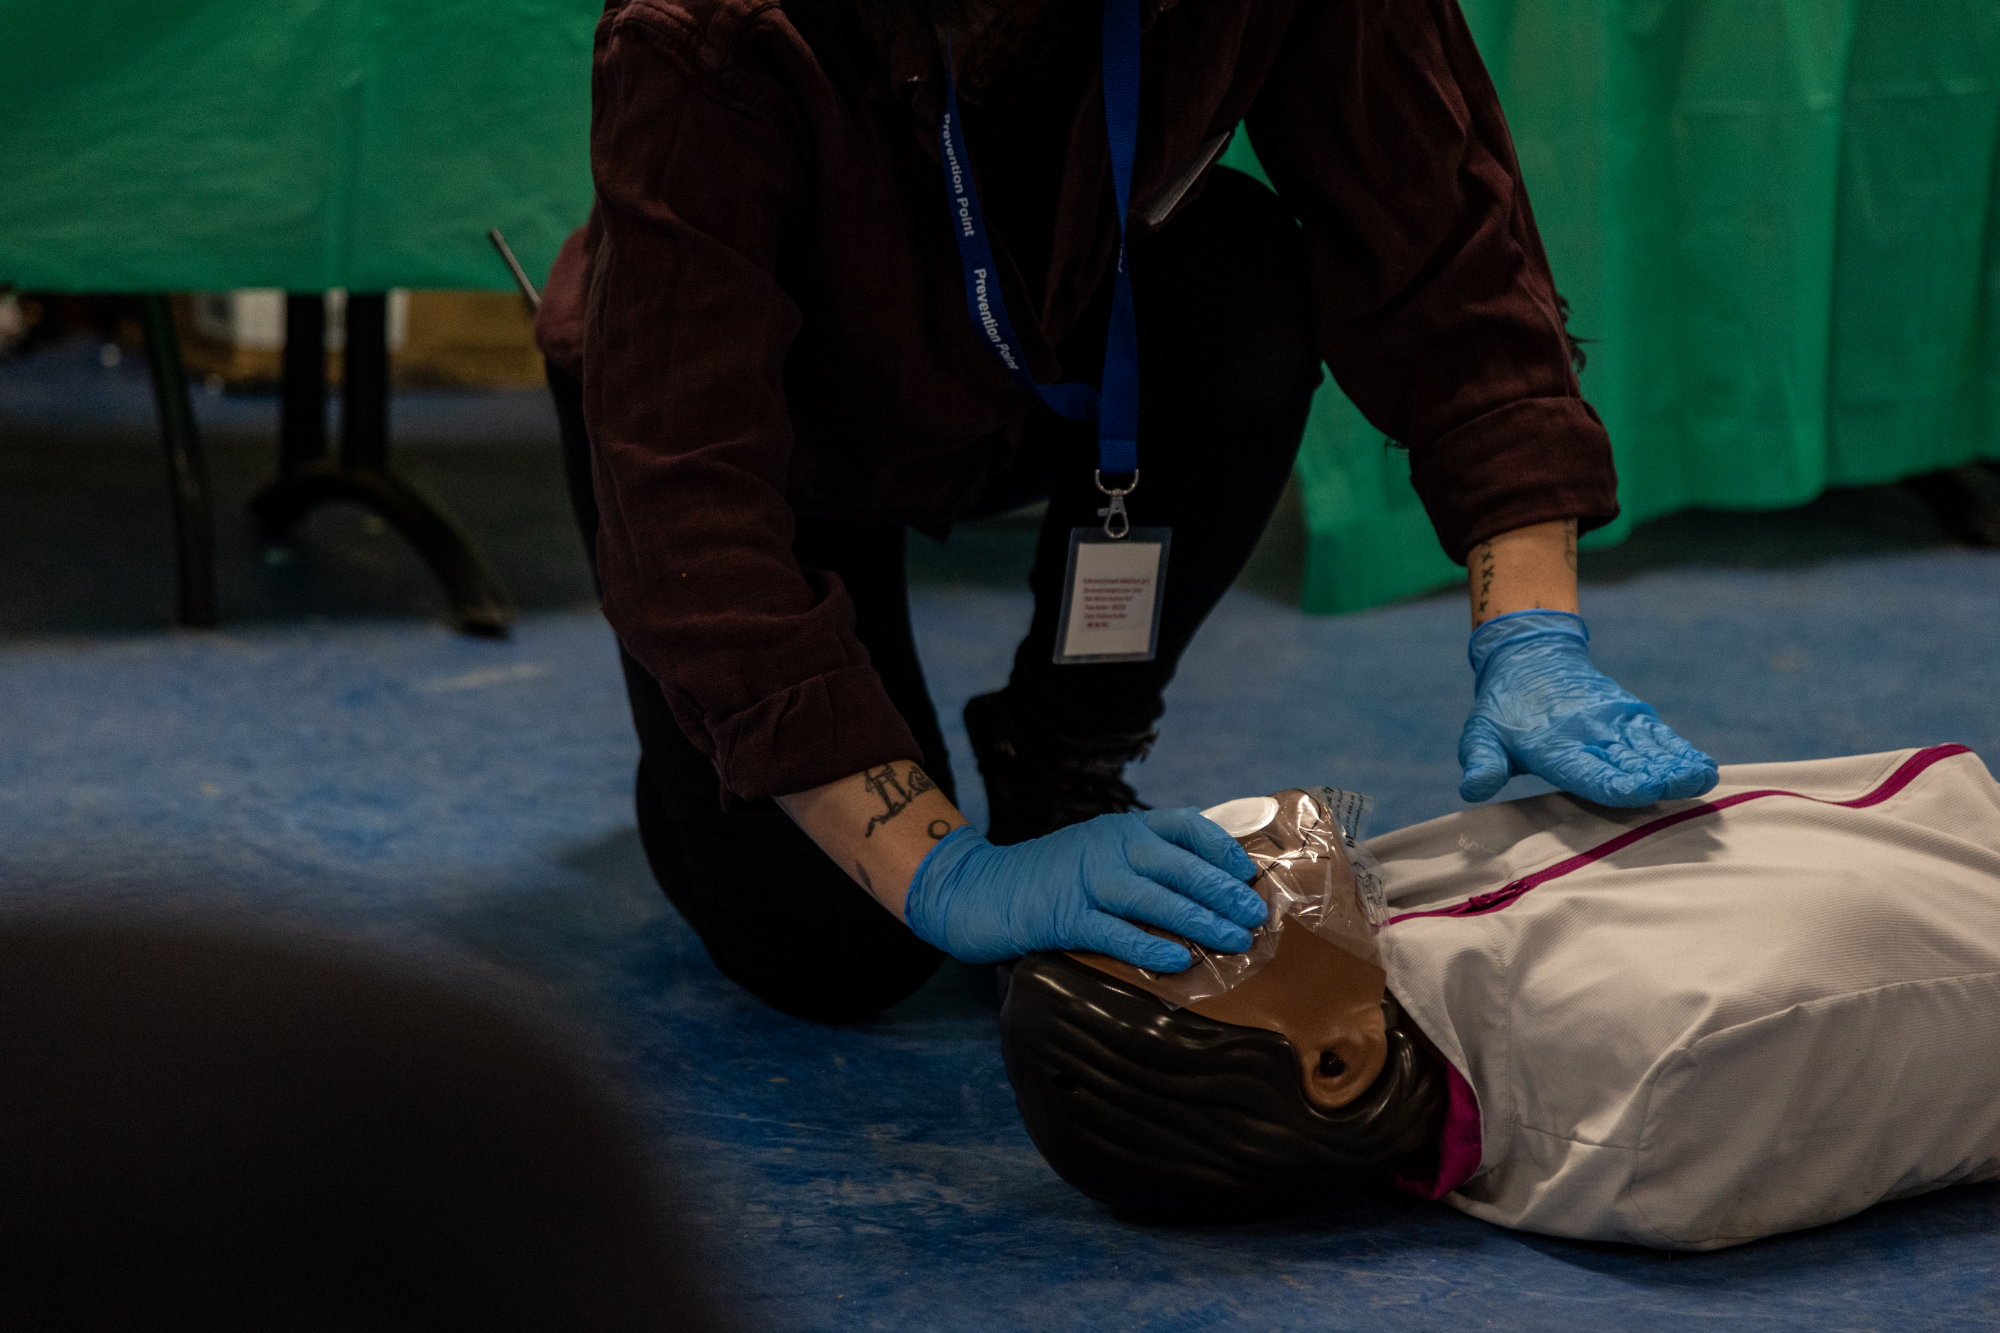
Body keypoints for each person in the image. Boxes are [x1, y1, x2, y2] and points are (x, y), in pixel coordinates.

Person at [537, 0, 1719, 1022]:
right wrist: (939, 869)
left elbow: (1447, 257)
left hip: (1046, 364)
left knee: (1238, 284)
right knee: (836, 952)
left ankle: (1062, 749)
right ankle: (709, 730)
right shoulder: (708, 29)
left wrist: (1529, 631)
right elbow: (685, 498)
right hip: (761, 442)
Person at [1001, 749, 2000, 1249]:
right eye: (1179, 938)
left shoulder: (1374, 951)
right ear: (1336, 1062)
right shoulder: (1673, 1064)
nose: (1193, 874)